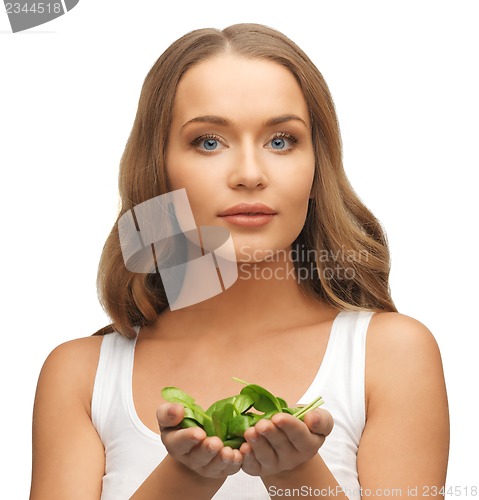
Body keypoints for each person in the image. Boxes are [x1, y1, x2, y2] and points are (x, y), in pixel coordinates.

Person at [30, 23, 449, 499]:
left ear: (317, 166)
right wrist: (186, 479)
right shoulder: (80, 377)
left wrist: (296, 475)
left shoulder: (391, 355)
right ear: (158, 168)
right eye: (208, 142)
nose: (250, 174)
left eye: (281, 141)